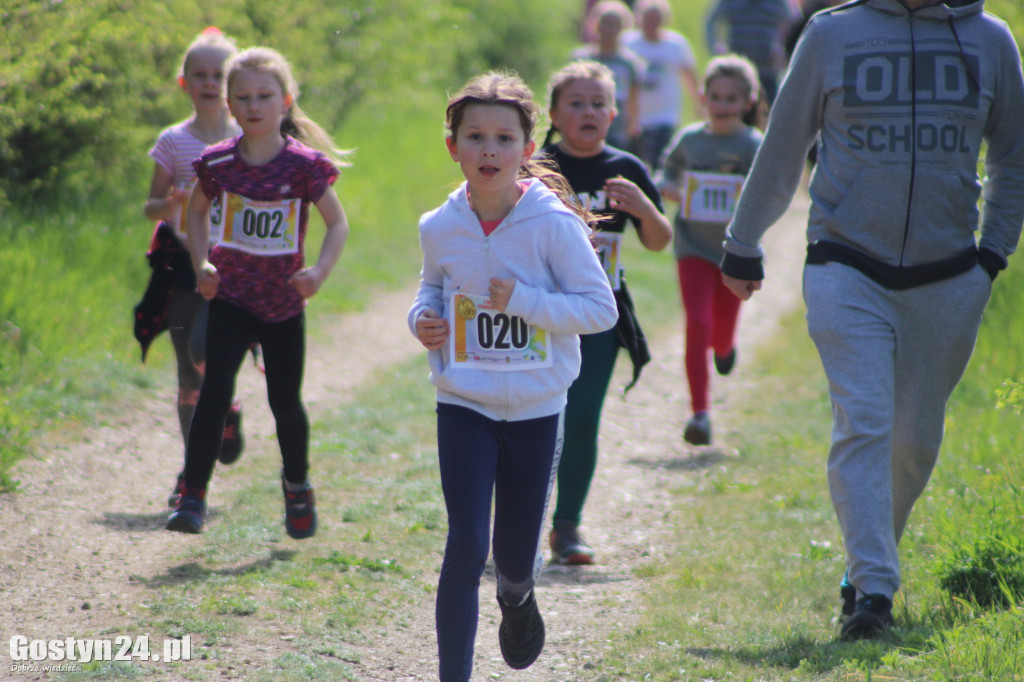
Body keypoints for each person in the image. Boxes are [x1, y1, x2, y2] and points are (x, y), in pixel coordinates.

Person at [719, 0, 1024, 640]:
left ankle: (864, 565)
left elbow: (1013, 160)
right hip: (844, 261)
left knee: (912, 442)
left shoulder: (992, 40)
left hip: (949, 274)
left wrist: (990, 256)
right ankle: (874, 594)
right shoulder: (832, 33)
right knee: (864, 419)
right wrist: (743, 240)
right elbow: (783, 145)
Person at [409, 71, 618, 681]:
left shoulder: (553, 225)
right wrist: (422, 317)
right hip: (464, 403)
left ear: (528, 149)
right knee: (466, 545)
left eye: (504, 138)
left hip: (535, 408)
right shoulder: (439, 225)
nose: (489, 150)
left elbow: (599, 309)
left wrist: (525, 302)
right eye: (475, 137)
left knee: (513, 562)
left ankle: (518, 598)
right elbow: (431, 286)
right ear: (454, 147)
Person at [166, 46, 352, 538]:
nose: (253, 106)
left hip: (283, 306)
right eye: (243, 97)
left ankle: (297, 485)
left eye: (264, 96)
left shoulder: (305, 167)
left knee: (284, 403)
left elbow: (338, 225)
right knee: (213, 395)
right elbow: (197, 213)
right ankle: (194, 497)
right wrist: (201, 261)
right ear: (229, 104)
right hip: (231, 297)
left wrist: (320, 272)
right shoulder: (217, 163)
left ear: (285, 101)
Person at [539, 60, 671, 564]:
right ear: (554, 113)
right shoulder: (536, 166)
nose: (588, 111)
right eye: (576, 103)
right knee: (530, 416)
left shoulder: (627, 169)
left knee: (582, 416)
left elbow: (660, 242)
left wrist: (643, 208)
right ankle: (514, 520)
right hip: (540, 313)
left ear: (614, 113)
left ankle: (566, 527)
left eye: (598, 103)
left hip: (600, 315)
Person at [139, 28, 247, 508]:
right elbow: (149, 206)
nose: (209, 82)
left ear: (235, 81)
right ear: (184, 83)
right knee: (188, 373)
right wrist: (170, 204)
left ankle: (227, 406)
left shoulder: (248, 139)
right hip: (183, 267)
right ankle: (190, 471)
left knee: (209, 353)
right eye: (199, 74)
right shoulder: (174, 142)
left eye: (219, 74)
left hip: (237, 267)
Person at [656, 55, 764, 446]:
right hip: (692, 247)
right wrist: (670, 188)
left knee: (720, 330)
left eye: (731, 98)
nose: (722, 105)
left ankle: (726, 347)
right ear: (703, 97)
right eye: (715, 96)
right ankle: (700, 413)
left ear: (748, 101)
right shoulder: (690, 139)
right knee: (697, 323)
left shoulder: (754, 145)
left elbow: (769, 188)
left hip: (735, 251)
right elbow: (665, 173)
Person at [622, 0, 702, 171]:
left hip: (666, 115)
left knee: (661, 162)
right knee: (637, 164)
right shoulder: (628, 43)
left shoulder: (676, 44)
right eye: (647, 20)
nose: (651, 25)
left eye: (655, 20)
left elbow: (689, 75)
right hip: (636, 118)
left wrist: (699, 104)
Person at [571, 0, 647, 151]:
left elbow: (633, 98)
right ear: (595, 25)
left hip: (617, 130)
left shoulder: (629, 63)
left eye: (614, 25)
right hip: (583, 124)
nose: (609, 30)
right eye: (605, 23)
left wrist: (633, 125)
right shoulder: (581, 58)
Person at [704, 0, 803, 103]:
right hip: (738, 73)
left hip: (768, 71)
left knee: (771, 109)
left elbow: (796, 24)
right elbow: (710, 22)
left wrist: (784, 52)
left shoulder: (779, 2)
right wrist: (717, 51)